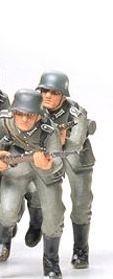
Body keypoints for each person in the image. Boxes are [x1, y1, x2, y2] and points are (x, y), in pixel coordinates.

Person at [0, 89, 66, 279]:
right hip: (16, 165)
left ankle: (51, 259)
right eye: (19, 114)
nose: (24, 119)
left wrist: (49, 164)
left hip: (43, 169)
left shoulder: (49, 129)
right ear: (13, 111)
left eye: (30, 115)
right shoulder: (5, 119)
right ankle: (3, 237)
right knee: (7, 211)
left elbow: (58, 160)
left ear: (39, 115)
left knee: (54, 214)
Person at [34, 71, 95, 268]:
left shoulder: (76, 112)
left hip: (75, 156)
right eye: (44, 91)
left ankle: (81, 250)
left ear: (63, 95)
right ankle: (35, 222)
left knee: (81, 202)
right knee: (37, 191)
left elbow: (76, 142)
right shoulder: (34, 109)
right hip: (48, 156)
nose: (48, 96)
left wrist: (63, 139)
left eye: (54, 92)